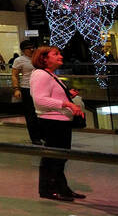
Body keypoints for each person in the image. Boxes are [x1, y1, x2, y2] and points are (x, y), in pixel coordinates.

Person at [31, 46, 87, 201]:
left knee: (60, 156)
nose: (60, 56)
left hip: (59, 121)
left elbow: (50, 95)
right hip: (52, 121)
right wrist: (68, 104)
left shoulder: (50, 75)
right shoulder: (41, 75)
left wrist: (68, 95)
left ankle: (61, 187)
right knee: (54, 156)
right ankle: (48, 189)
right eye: (55, 54)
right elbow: (40, 99)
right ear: (44, 58)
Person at [10, 38, 42, 145]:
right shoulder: (19, 60)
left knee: (42, 112)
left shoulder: (39, 58)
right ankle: (35, 137)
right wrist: (16, 89)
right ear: (23, 50)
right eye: (29, 48)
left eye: (33, 47)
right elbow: (14, 75)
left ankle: (44, 134)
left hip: (41, 88)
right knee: (31, 114)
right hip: (27, 88)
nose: (32, 50)